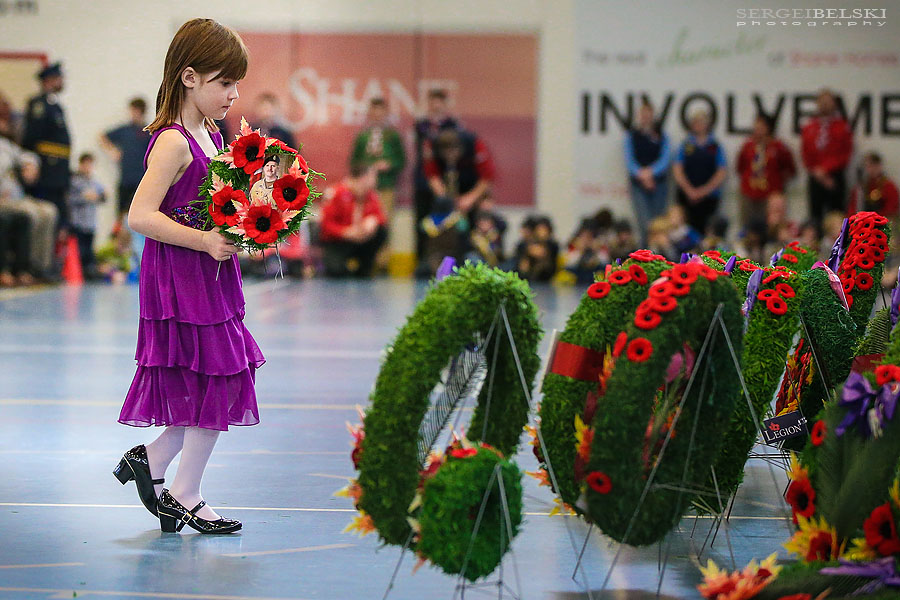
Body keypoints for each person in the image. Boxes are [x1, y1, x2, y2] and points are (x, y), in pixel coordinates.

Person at [114, 18, 261, 535]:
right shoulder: (173, 142)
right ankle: (182, 490)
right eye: (226, 83)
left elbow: (209, 204)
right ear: (190, 77)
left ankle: (154, 465)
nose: (233, 94)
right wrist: (204, 241)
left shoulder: (212, 132)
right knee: (219, 376)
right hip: (181, 277)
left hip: (208, 273)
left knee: (208, 380)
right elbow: (139, 216)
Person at [21, 62, 71, 234]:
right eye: (59, 78)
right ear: (49, 80)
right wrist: (30, 162)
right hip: (46, 170)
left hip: (58, 172)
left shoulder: (55, 105)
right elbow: (30, 139)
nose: (62, 81)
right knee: (46, 220)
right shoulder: (39, 105)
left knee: (58, 221)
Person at [0, 140, 58, 278]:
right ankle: (28, 264)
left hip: (19, 196)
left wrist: (30, 165)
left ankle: (42, 265)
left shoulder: (8, 146)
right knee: (30, 213)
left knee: (50, 210)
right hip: (6, 199)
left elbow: (26, 157)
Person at [413, 89, 459, 263]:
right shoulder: (422, 125)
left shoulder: (452, 125)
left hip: (445, 178)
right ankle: (422, 261)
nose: (436, 105)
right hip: (423, 180)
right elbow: (424, 152)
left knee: (448, 219)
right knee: (423, 220)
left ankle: (449, 259)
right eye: (433, 101)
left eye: (439, 101)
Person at [318, 163, 388, 277]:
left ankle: (365, 266)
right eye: (373, 177)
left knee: (382, 231)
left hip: (361, 239)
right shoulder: (336, 193)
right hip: (338, 241)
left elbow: (381, 218)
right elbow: (325, 225)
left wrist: (373, 220)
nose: (375, 181)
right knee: (336, 271)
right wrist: (345, 232)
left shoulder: (371, 195)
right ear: (363, 178)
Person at [801, 88, 853, 232]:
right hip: (815, 176)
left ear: (834, 104)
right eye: (822, 101)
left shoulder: (842, 127)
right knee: (815, 216)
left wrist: (827, 170)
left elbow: (845, 153)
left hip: (835, 176)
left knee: (837, 215)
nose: (825, 105)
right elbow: (805, 152)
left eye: (828, 101)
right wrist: (817, 172)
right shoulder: (810, 127)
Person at [736, 113, 796, 232]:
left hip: (770, 196)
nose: (757, 128)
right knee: (748, 227)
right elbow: (740, 168)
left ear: (768, 127)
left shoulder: (778, 147)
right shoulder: (748, 146)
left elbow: (790, 170)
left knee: (771, 227)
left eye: (761, 126)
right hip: (749, 194)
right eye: (756, 125)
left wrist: (777, 185)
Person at [672, 109, 727, 234]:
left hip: (709, 198)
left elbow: (721, 172)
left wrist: (702, 192)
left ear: (707, 125)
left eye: (701, 122)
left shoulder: (715, 146)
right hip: (686, 196)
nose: (698, 125)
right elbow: (677, 169)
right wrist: (689, 190)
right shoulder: (685, 145)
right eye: (696, 122)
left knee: (707, 231)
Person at [624, 100, 670, 245]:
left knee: (658, 223)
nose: (646, 117)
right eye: (643, 114)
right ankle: (644, 253)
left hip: (658, 183)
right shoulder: (632, 135)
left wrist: (651, 173)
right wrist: (642, 175)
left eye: (648, 114)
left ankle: (657, 254)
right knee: (644, 223)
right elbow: (629, 159)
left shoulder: (662, 135)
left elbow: (665, 158)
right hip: (638, 184)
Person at [350, 97, 406, 217]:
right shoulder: (363, 136)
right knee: (364, 217)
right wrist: (364, 170)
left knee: (384, 217)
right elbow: (354, 161)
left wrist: (389, 164)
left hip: (386, 184)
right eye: (374, 110)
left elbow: (401, 160)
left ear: (386, 112)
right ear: (369, 112)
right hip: (364, 186)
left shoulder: (392, 135)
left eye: (380, 110)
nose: (377, 114)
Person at [100, 97, 152, 223]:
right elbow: (102, 136)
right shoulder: (125, 130)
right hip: (125, 180)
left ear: (140, 111)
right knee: (120, 215)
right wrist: (113, 151)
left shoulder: (149, 131)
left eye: (134, 110)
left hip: (142, 181)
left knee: (140, 216)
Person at [67, 153, 106, 279]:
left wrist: (97, 196)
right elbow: (69, 199)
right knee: (79, 251)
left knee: (88, 251)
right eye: (86, 164)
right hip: (78, 222)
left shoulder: (94, 182)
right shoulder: (74, 181)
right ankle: (79, 274)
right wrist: (84, 198)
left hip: (90, 222)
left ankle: (89, 273)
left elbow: (104, 196)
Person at [847, 152, 899, 219]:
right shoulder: (860, 187)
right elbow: (852, 208)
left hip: (881, 221)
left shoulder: (889, 186)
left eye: (873, 165)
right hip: (861, 221)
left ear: (879, 166)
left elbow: (891, 210)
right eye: (867, 166)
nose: (871, 169)